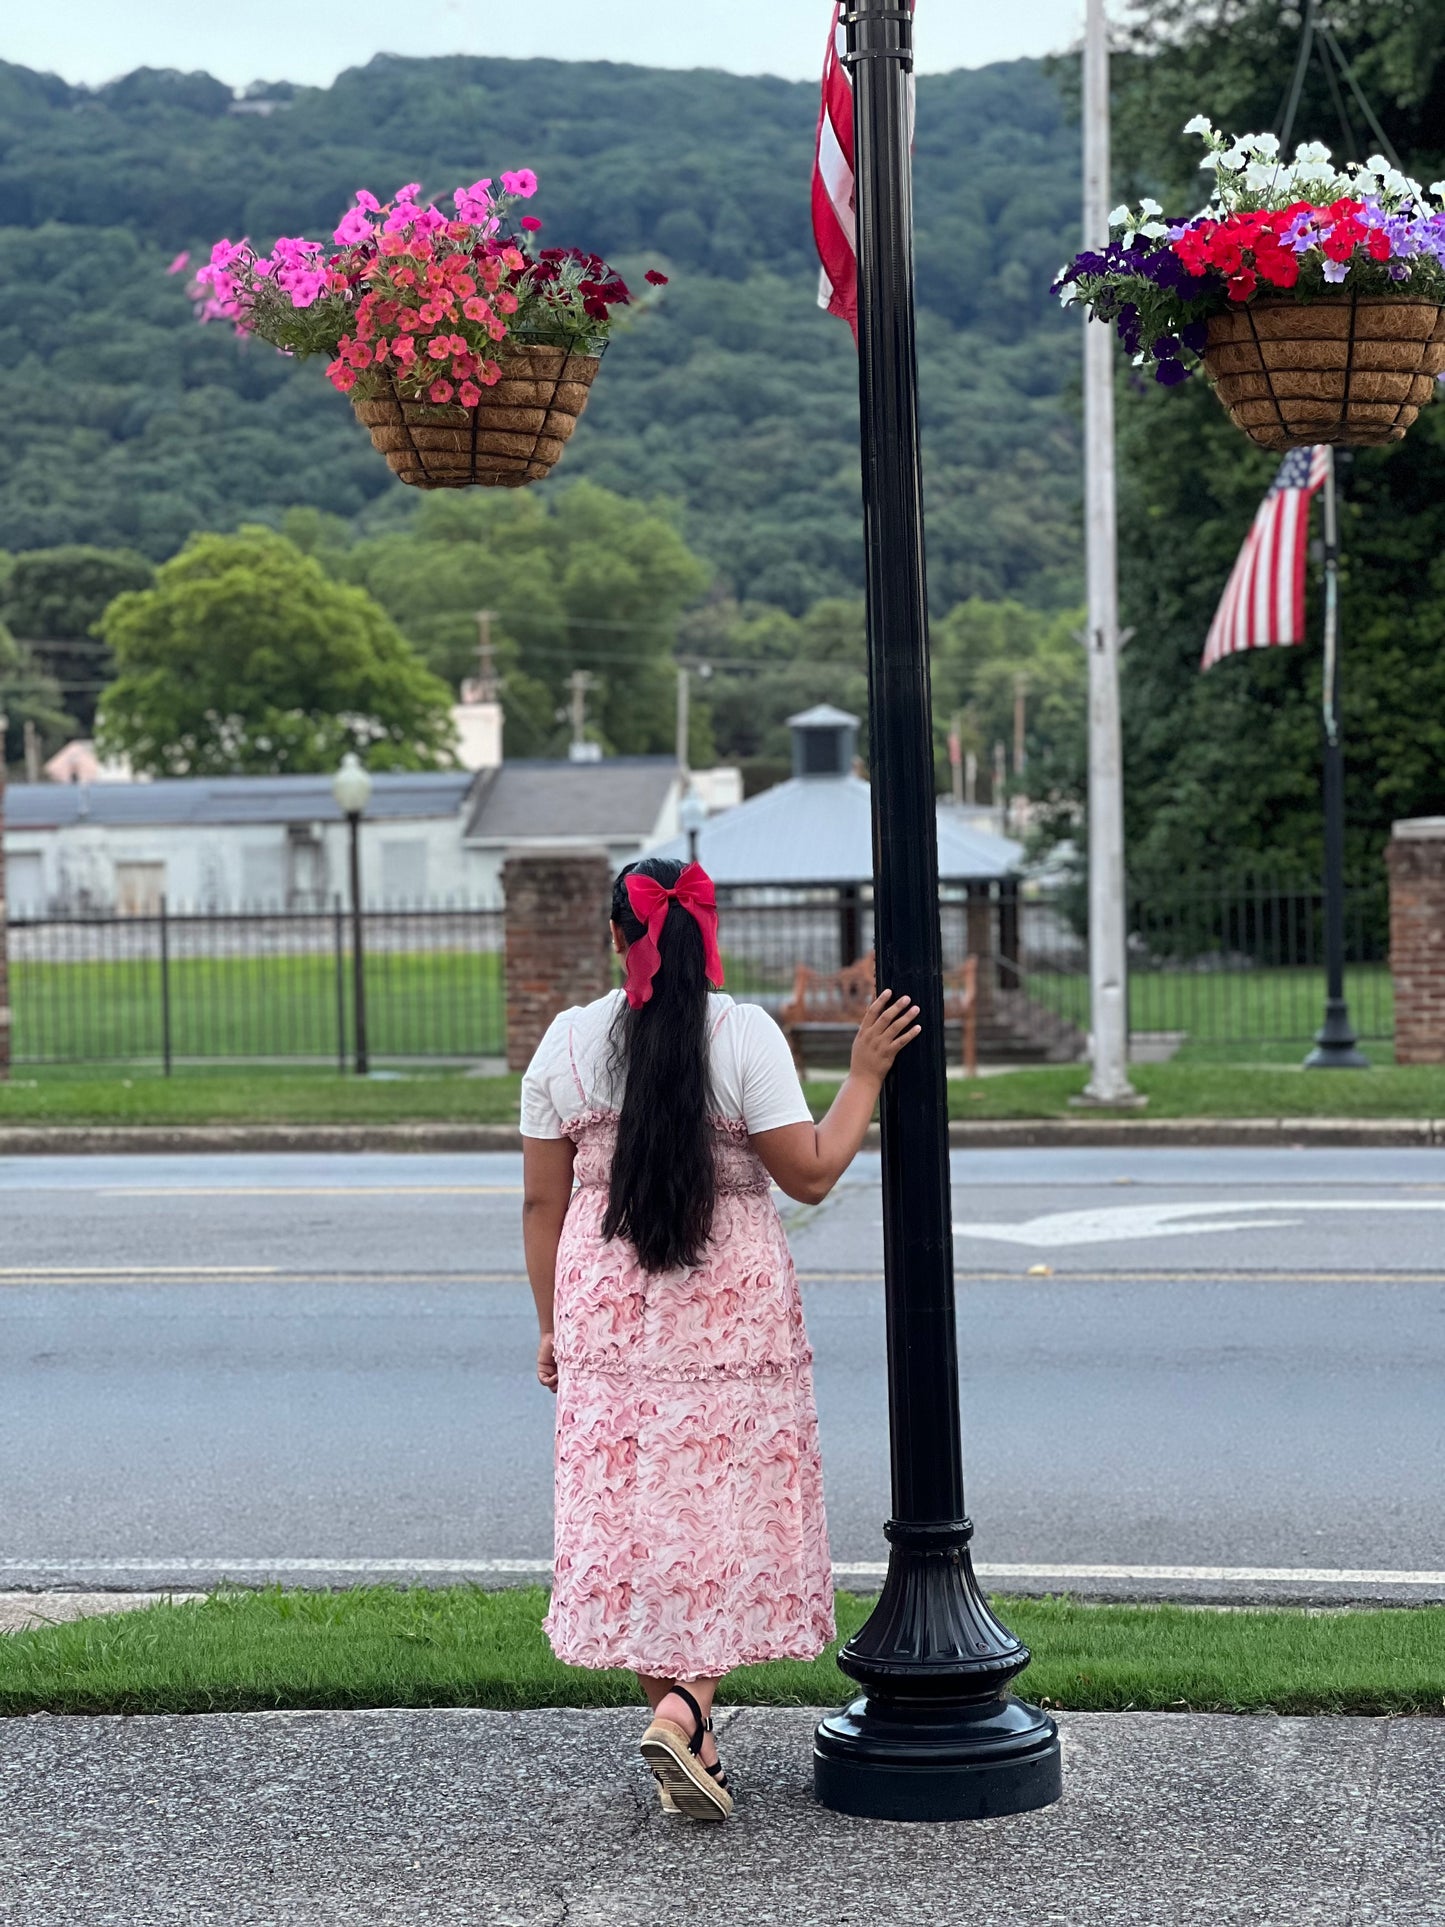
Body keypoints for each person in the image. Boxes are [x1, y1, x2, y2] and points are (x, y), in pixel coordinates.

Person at [520, 857, 919, 1821]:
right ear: (709, 932)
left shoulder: (568, 1045)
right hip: (729, 1309)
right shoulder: (743, 1036)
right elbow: (813, 1172)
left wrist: (548, 1323)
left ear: (617, 937)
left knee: (638, 1516)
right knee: (720, 1511)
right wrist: (864, 1073)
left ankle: (684, 1723)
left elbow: (542, 1198)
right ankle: (688, 1710)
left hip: (608, 1307)